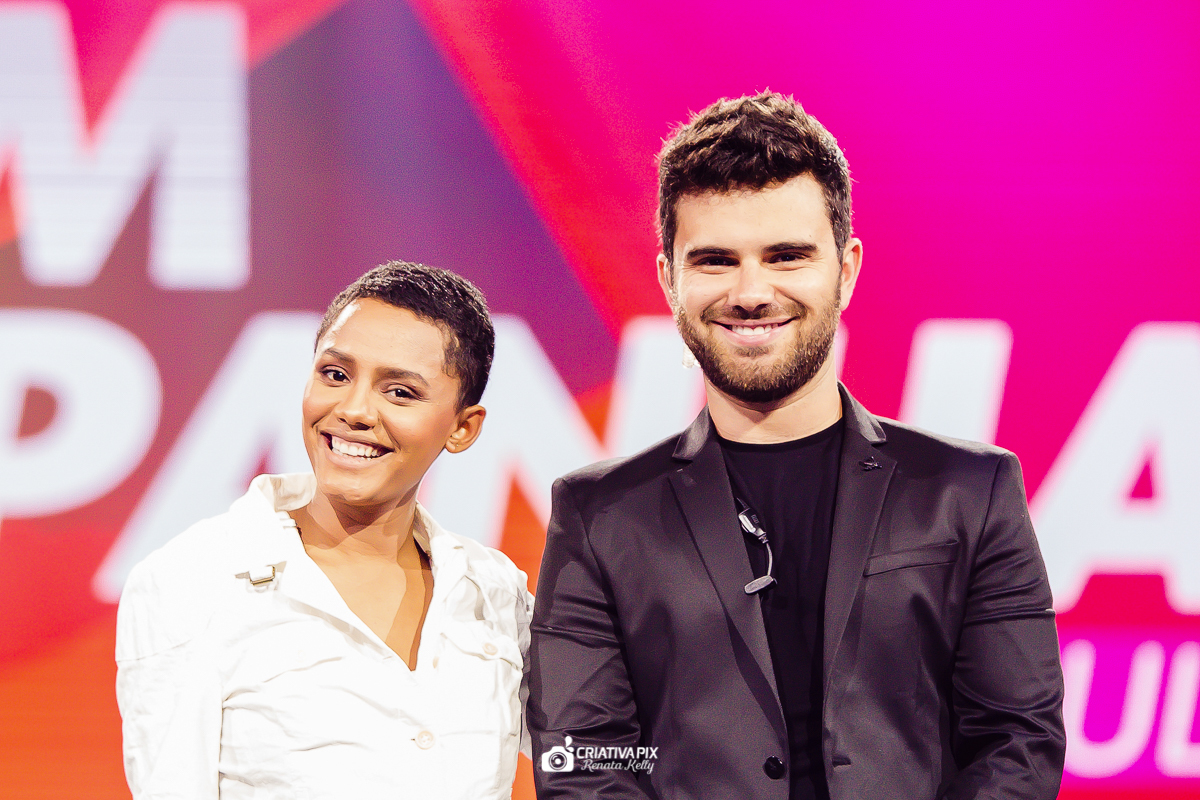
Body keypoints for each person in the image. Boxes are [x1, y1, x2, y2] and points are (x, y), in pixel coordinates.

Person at [527, 93, 1065, 800]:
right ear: (668, 279)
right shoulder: (598, 514)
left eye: (786, 256)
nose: (752, 292)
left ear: (847, 268)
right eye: (716, 261)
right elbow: (582, 762)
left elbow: (1019, 741)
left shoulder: (970, 491)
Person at [116, 262, 533, 799]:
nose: (354, 410)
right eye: (335, 375)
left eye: (400, 392)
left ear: (462, 427)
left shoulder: (496, 594)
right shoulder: (191, 582)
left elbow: (597, 753)